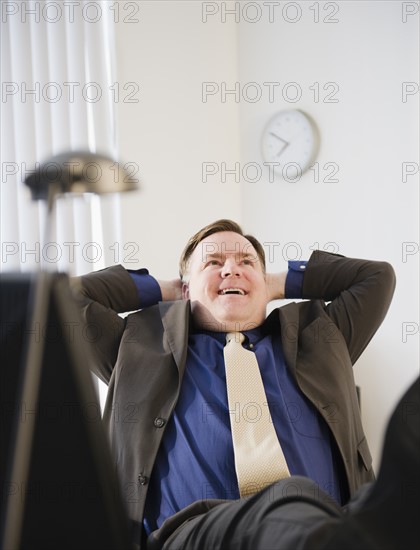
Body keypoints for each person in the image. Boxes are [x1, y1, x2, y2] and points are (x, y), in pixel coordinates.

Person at [73, 219, 417, 549]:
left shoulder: (321, 337)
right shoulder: (138, 348)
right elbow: (70, 298)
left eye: (246, 261)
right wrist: (171, 288)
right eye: (213, 262)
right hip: (193, 533)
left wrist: (277, 282)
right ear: (185, 288)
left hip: (322, 524)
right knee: (289, 497)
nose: (230, 269)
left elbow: (377, 276)